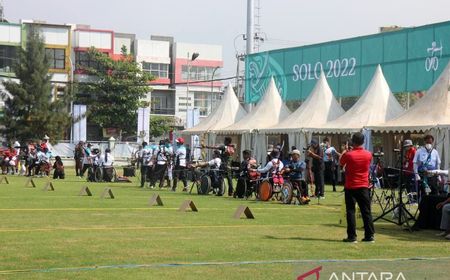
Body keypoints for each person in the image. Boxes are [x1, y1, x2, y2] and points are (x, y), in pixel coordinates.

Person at [339, 132, 374, 243]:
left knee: (350, 211)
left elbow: (341, 162)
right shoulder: (368, 154)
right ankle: (369, 235)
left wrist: (345, 151)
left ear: (352, 142)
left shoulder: (349, 154)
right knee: (366, 211)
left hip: (351, 186)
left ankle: (352, 236)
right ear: (363, 142)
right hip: (363, 185)